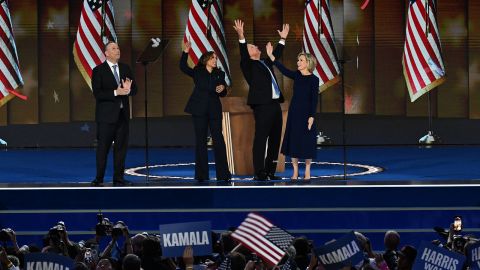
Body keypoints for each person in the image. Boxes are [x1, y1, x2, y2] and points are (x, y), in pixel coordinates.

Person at [233, 19, 289, 180]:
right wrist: (241, 36)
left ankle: (270, 171)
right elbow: (243, 52)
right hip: (262, 106)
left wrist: (283, 39)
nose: (255, 47)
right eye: (252, 47)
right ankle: (260, 172)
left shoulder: (264, 63)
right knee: (261, 139)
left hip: (274, 105)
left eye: (254, 46)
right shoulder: (247, 65)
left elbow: (275, 55)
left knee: (275, 139)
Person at [179, 40, 232, 182]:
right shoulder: (197, 71)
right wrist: (186, 52)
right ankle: (202, 175)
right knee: (200, 141)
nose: (215, 60)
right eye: (212, 58)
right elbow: (183, 67)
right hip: (199, 110)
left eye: (215, 58)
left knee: (219, 141)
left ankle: (223, 174)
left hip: (214, 110)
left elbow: (222, 92)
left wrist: (223, 89)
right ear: (206, 60)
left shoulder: (219, 73)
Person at [266, 47, 318, 180]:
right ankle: (295, 171)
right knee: (294, 141)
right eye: (298, 60)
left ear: (308, 63)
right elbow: (283, 70)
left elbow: (314, 99)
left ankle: (307, 170)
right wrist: (271, 56)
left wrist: (312, 116)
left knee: (306, 142)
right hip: (294, 112)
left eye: (301, 60)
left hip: (307, 114)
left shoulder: (314, 80)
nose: (298, 62)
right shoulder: (296, 75)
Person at [91, 41, 137, 187]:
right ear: (106, 53)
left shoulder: (125, 68)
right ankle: (99, 178)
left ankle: (119, 178)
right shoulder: (98, 70)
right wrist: (116, 92)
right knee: (103, 149)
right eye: (113, 48)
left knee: (121, 149)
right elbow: (98, 93)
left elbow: (135, 89)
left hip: (122, 117)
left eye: (118, 47)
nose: (117, 50)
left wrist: (129, 90)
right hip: (106, 118)